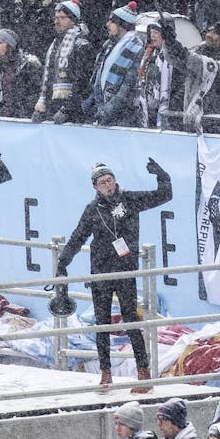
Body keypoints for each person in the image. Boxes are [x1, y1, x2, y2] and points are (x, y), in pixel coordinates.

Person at [56, 157, 172, 390]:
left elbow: (164, 195)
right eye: (103, 183)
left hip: (125, 269)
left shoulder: (129, 199)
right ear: (95, 187)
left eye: (110, 180)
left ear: (115, 180)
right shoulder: (92, 209)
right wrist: (63, 262)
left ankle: (143, 373)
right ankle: (106, 373)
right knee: (102, 324)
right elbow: (79, 236)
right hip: (100, 271)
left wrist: (162, 175)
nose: (108, 185)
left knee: (131, 320)